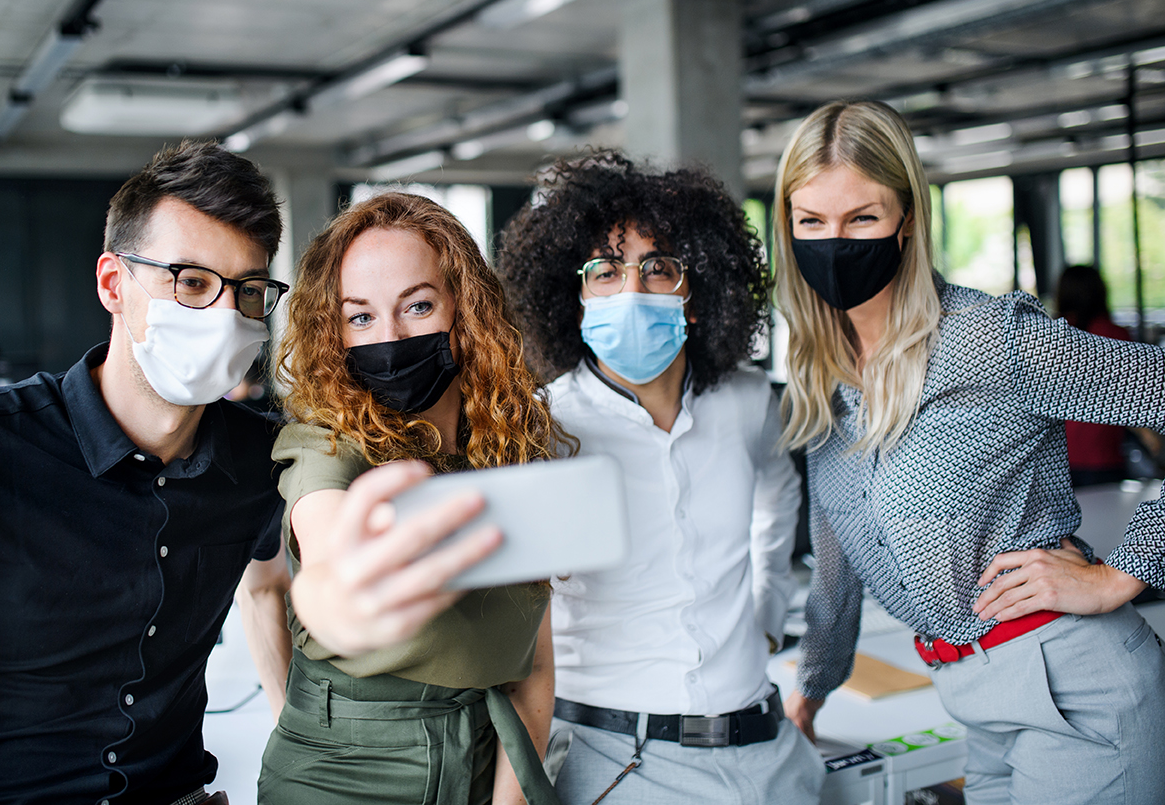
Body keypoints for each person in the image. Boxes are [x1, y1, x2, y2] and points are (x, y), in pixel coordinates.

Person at [0, 142, 501, 805]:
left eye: (245, 290)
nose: (220, 314)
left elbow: (268, 590)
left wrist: (297, 738)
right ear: (113, 284)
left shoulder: (256, 459)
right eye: (190, 281)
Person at [774, 100, 1165, 805]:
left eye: (862, 218)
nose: (834, 243)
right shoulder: (822, 380)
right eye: (812, 222)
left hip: (1075, 689)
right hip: (974, 700)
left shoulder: (987, 340)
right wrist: (810, 692)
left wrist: (1123, 573)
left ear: (907, 221)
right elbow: (838, 564)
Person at [498, 151, 823, 805]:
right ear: (575, 293)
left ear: (695, 291)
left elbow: (779, 494)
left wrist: (764, 615)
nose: (633, 290)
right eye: (607, 270)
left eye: (659, 268)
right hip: (617, 760)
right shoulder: (543, 428)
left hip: (770, 756)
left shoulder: (748, 400)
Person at [254, 191, 567, 805]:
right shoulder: (325, 443)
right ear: (332, 331)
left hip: (484, 753)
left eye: (417, 306)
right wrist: (343, 596)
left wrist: (509, 799)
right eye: (360, 317)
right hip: (342, 770)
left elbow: (534, 660)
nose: (390, 337)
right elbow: (327, 561)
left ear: (464, 309)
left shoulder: (514, 448)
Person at [1055, 264, 1143, 486]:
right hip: (1103, 453)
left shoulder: (1052, 337)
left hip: (1058, 454)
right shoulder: (1116, 336)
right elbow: (1132, 397)